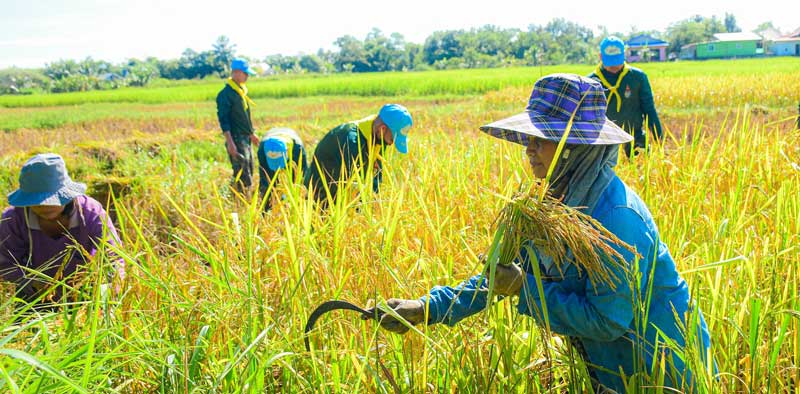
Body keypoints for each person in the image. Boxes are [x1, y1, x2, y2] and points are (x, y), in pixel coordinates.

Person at [370, 74, 712, 392]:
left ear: (577, 146)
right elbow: (499, 277)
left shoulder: (615, 217)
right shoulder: (551, 204)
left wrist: (524, 288)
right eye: (529, 138)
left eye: (542, 138)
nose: (529, 148)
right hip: (610, 364)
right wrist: (427, 308)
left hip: (660, 365)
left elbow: (609, 320)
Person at [0, 153, 124, 303]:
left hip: (86, 295)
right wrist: (32, 282)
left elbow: (113, 258)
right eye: (37, 201)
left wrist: (106, 292)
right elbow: (5, 263)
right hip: (33, 298)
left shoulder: (91, 213)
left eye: (51, 199)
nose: (45, 206)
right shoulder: (14, 219)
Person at [303, 104, 412, 205]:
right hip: (320, 196)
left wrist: (375, 201)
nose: (390, 143)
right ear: (382, 129)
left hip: (342, 193)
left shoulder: (378, 137)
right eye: (392, 139)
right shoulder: (352, 141)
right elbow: (353, 186)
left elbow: (375, 174)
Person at [588, 36, 663, 157]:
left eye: (616, 61)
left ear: (624, 55)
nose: (613, 66)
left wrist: (659, 138)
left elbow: (649, 110)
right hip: (603, 142)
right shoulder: (590, 81)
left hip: (634, 138)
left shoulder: (637, 77)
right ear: (600, 57)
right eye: (609, 62)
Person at [217, 57, 260, 193]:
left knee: (249, 169)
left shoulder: (240, 92)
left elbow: (244, 117)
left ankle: (240, 198)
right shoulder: (225, 95)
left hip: (245, 138)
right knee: (242, 173)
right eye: (245, 73)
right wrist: (230, 143)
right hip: (236, 139)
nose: (247, 76)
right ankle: (236, 201)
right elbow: (224, 121)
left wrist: (251, 134)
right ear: (235, 73)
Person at [256, 127, 308, 211]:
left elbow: (303, 178)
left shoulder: (297, 149)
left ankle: (300, 210)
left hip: (291, 142)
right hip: (271, 137)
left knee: (298, 183)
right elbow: (264, 179)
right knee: (268, 184)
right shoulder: (262, 150)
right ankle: (267, 212)